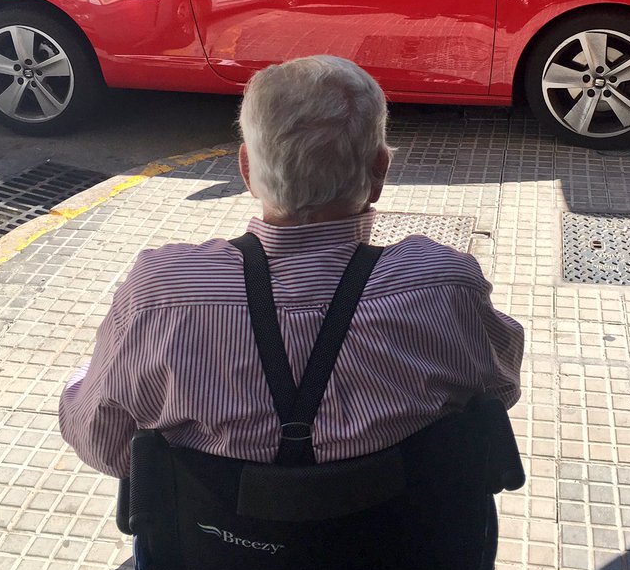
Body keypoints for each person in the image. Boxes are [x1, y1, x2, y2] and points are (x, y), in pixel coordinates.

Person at [59, 55, 524, 478]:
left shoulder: (160, 294)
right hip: (409, 561)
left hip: (219, 563)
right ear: (379, 171)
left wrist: (82, 377)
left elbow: (103, 445)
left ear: (246, 169)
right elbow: (499, 391)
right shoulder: (445, 285)